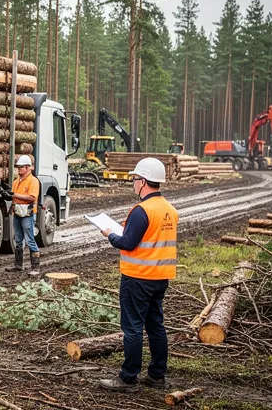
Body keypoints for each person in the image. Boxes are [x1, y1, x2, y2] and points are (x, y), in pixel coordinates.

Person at [98, 157, 178, 392]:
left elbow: (127, 243)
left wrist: (110, 234)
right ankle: (156, 375)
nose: (133, 184)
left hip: (138, 278)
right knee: (155, 326)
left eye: (134, 179)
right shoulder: (169, 210)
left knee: (132, 328)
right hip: (160, 278)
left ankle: (128, 378)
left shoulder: (142, 210)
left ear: (143, 182)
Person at [5, 155, 41, 276]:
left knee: (30, 240)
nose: (19, 170)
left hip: (28, 214)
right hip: (18, 213)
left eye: (21, 168)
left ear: (27, 168)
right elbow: (14, 196)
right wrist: (8, 196)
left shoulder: (33, 181)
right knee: (18, 240)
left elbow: (32, 197)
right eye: (18, 167)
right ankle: (18, 265)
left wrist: (14, 194)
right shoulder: (16, 181)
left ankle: (35, 268)